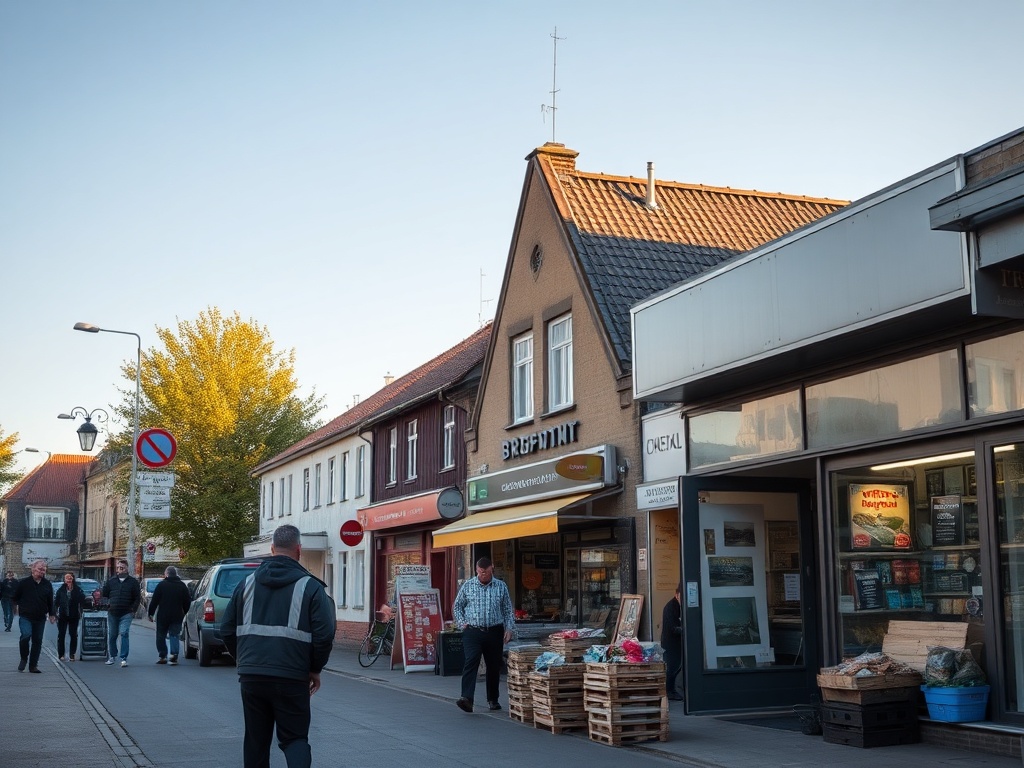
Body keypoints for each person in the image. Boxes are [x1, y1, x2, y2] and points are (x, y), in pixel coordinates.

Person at [221, 524, 334, 768]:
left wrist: (244, 659)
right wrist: (314, 669)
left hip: (252, 676)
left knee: (256, 741)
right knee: (295, 739)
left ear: (272, 549)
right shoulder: (311, 587)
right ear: (299, 550)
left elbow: (227, 629)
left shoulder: (246, 584)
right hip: (292, 676)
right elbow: (324, 635)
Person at [452, 556, 515, 713]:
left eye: (485, 572)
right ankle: (466, 698)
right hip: (473, 630)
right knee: (471, 660)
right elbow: (457, 606)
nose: (483, 575)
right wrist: (462, 623)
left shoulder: (501, 586)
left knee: (493, 665)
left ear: (491, 569)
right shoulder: (468, 586)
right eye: (480, 572)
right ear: (476, 570)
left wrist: (509, 628)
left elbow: (507, 609)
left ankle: (493, 699)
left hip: (494, 630)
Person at [12, 560, 56, 672]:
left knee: (37, 641)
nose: (42, 571)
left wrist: (52, 614)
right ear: (33, 569)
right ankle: (24, 658)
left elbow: (50, 601)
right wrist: (16, 607)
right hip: (26, 616)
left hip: (40, 617)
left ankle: (33, 665)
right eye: (40, 569)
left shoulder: (47, 584)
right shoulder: (24, 583)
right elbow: (15, 597)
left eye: (44, 569)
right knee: (26, 635)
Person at [148, 565, 192, 665]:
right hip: (177, 615)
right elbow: (187, 601)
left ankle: (162, 655)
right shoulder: (182, 586)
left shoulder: (161, 585)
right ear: (176, 574)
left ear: (166, 574)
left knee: (160, 636)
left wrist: (150, 613)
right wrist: (184, 612)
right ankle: (174, 655)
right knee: (174, 635)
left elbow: (154, 601)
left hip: (163, 616)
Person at [102, 560, 141, 667]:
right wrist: (107, 605)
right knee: (112, 635)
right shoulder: (111, 581)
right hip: (113, 612)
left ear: (127, 568)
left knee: (124, 633)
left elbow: (137, 597)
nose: (120, 569)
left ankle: (123, 658)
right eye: (118, 567)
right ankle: (112, 656)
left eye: (122, 567)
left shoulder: (133, 582)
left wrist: (133, 610)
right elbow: (105, 594)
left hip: (126, 612)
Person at [54, 572, 87, 661]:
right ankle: (61, 654)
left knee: (73, 634)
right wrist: (54, 613)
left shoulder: (77, 589)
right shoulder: (61, 590)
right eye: (67, 578)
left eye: (70, 578)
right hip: (62, 615)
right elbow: (56, 602)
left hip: (74, 615)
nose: (68, 580)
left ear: (73, 579)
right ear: (64, 580)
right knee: (61, 635)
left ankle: (72, 654)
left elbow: (82, 600)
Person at [661, 583, 684, 701]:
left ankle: (672, 690)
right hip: (671, 642)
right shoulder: (671, 607)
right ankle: (669, 691)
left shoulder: (678, 606)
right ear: (677, 595)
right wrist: (683, 630)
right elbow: (672, 627)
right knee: (672, 667)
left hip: (676, 642)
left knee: (676, 667)